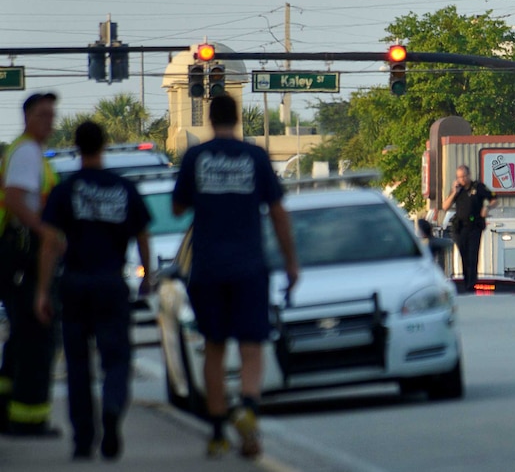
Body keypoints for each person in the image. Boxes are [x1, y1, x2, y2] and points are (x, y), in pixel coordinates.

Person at [172, 94, 299, 459]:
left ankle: (216, 432)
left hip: (207, 267)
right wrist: (291, 262)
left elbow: (178, 207)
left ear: (210, 120)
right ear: (238, 118)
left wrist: (205, 195)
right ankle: (248, 407)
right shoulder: (256, 156)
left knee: (214, 346)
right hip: (249, 266)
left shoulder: (195, 157)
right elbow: (278, 213)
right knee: (251, 346)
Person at [35, 121, 152, 460]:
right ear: (103, 146)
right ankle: (113, 406)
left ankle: (83, 439)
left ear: (76, 146)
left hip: (74, 283)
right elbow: (143, 235)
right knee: (116, 358)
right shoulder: (122, 188)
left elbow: (49, 242)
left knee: (78, 364)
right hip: (111, 283)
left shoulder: (66, 190)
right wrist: (147, 277)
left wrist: (43, 291)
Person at [0, 92, 61, 436]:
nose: (49, 121)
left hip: (18, 251)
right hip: (25, 251)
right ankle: (29, 419)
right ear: (27, 118)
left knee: (22, 335)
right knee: (38, 335)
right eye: (42, 115)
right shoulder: (25, 152)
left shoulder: (29, 152)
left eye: (52, 115)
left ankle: (9, 411)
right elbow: (14, 199)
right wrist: (45, 230)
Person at [441, 165, 496, 293]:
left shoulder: (478, 187)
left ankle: (471, 284)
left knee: (472, 256)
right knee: (464, 256)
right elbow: (445, 206)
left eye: (464, 176)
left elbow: (494, 199)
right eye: (459, 177)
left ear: (469, 175)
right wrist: (454, 191)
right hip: (460, 228)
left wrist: (487, 208)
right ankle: (467, 282)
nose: (462, 179)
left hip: (474, 227)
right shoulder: (457, 190)